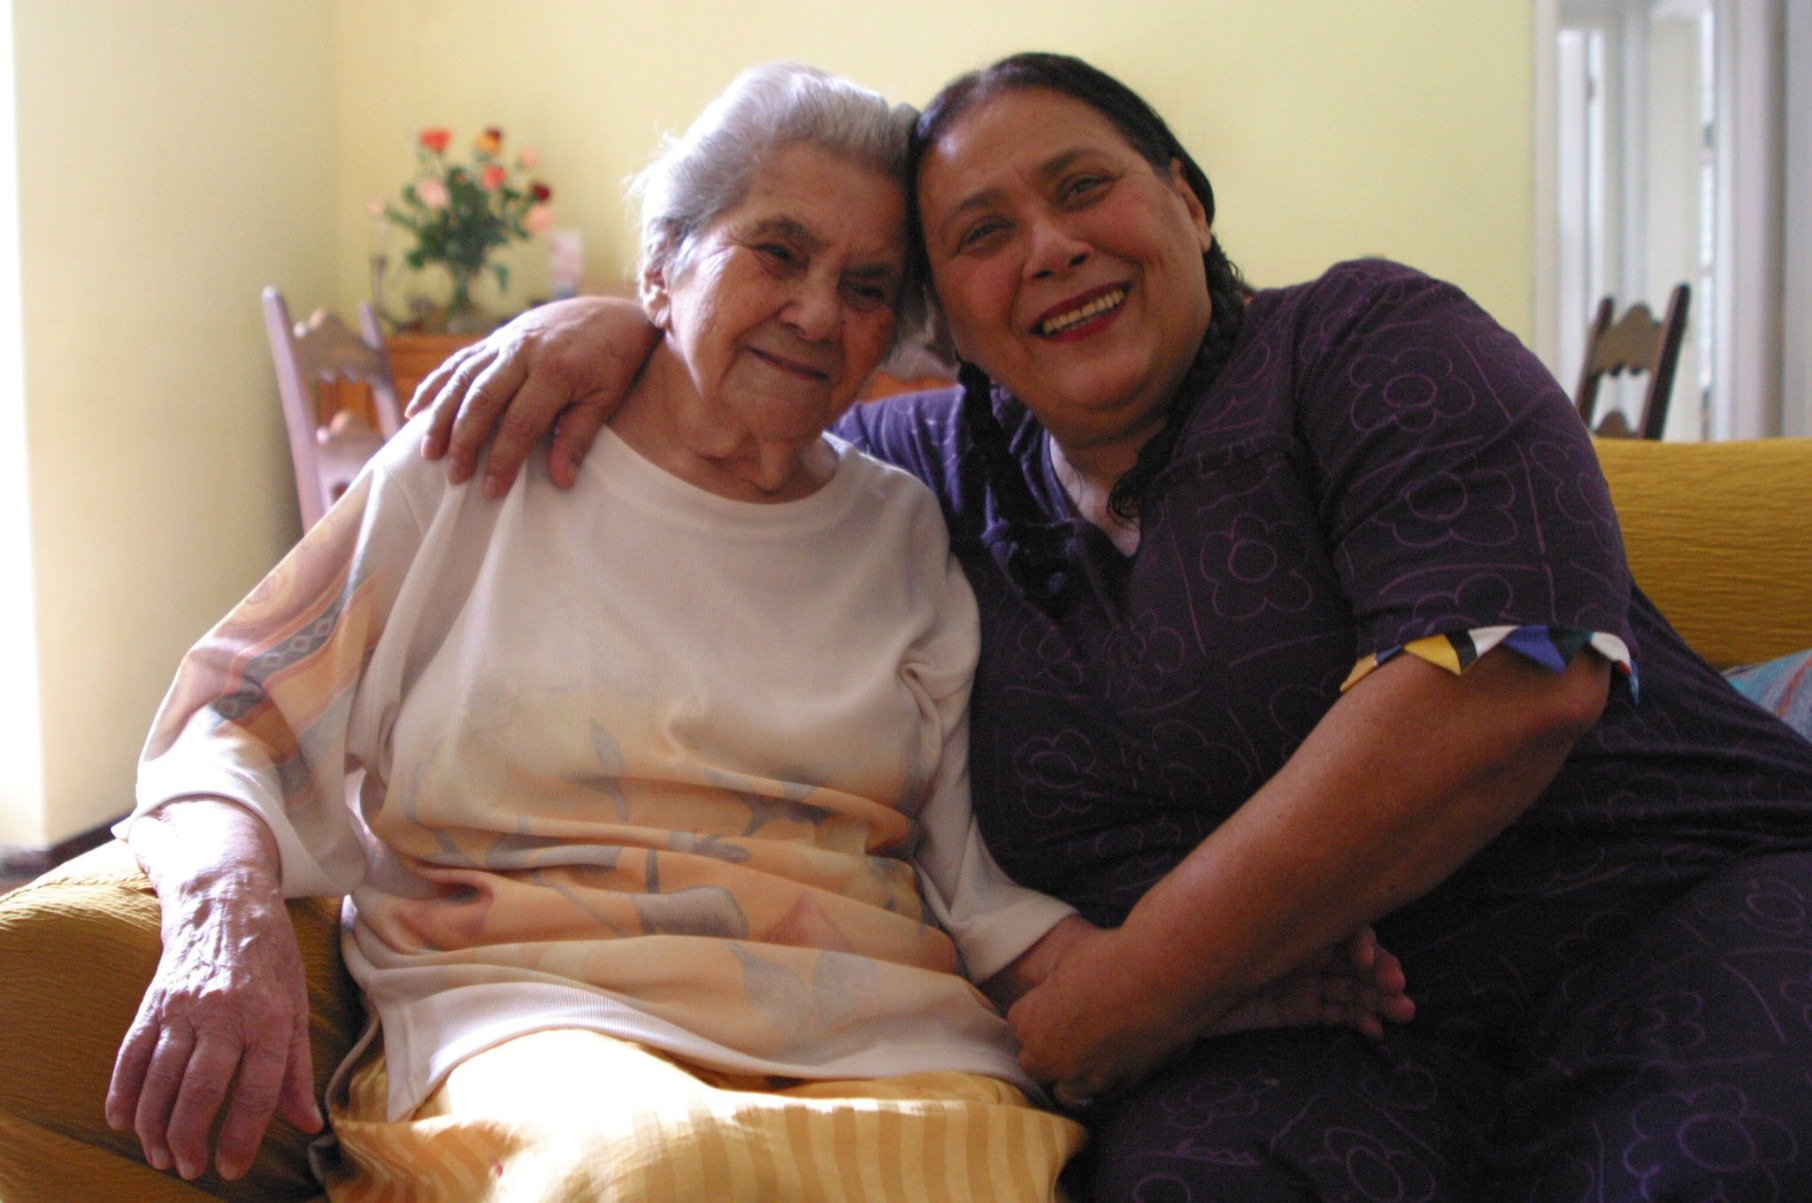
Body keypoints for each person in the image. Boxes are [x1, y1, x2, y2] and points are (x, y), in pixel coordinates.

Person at [410, 51, 1812, 1203]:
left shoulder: (1367, 344)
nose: (1054, 248)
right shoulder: (930, 474)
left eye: (1085, 188)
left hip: (1660, 917)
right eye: (981, 235)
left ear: (1189, 202)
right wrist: (613, 328)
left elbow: (1507, 677)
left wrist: (1133, 988)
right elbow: (747, 397)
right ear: (941, 321)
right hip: (1326, 1022)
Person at [101, 63, 1410, 1203]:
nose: (817, 313)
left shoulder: (904, 525)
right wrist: (232, 909)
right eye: (776, 253)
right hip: (549, 1021)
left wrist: (1201, 988)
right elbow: (234, 710)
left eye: (867, 288)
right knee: (655, 1173)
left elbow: (968, 873)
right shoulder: (479, 461)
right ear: (662, 265)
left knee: (997, 1171)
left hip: (888, 1039)